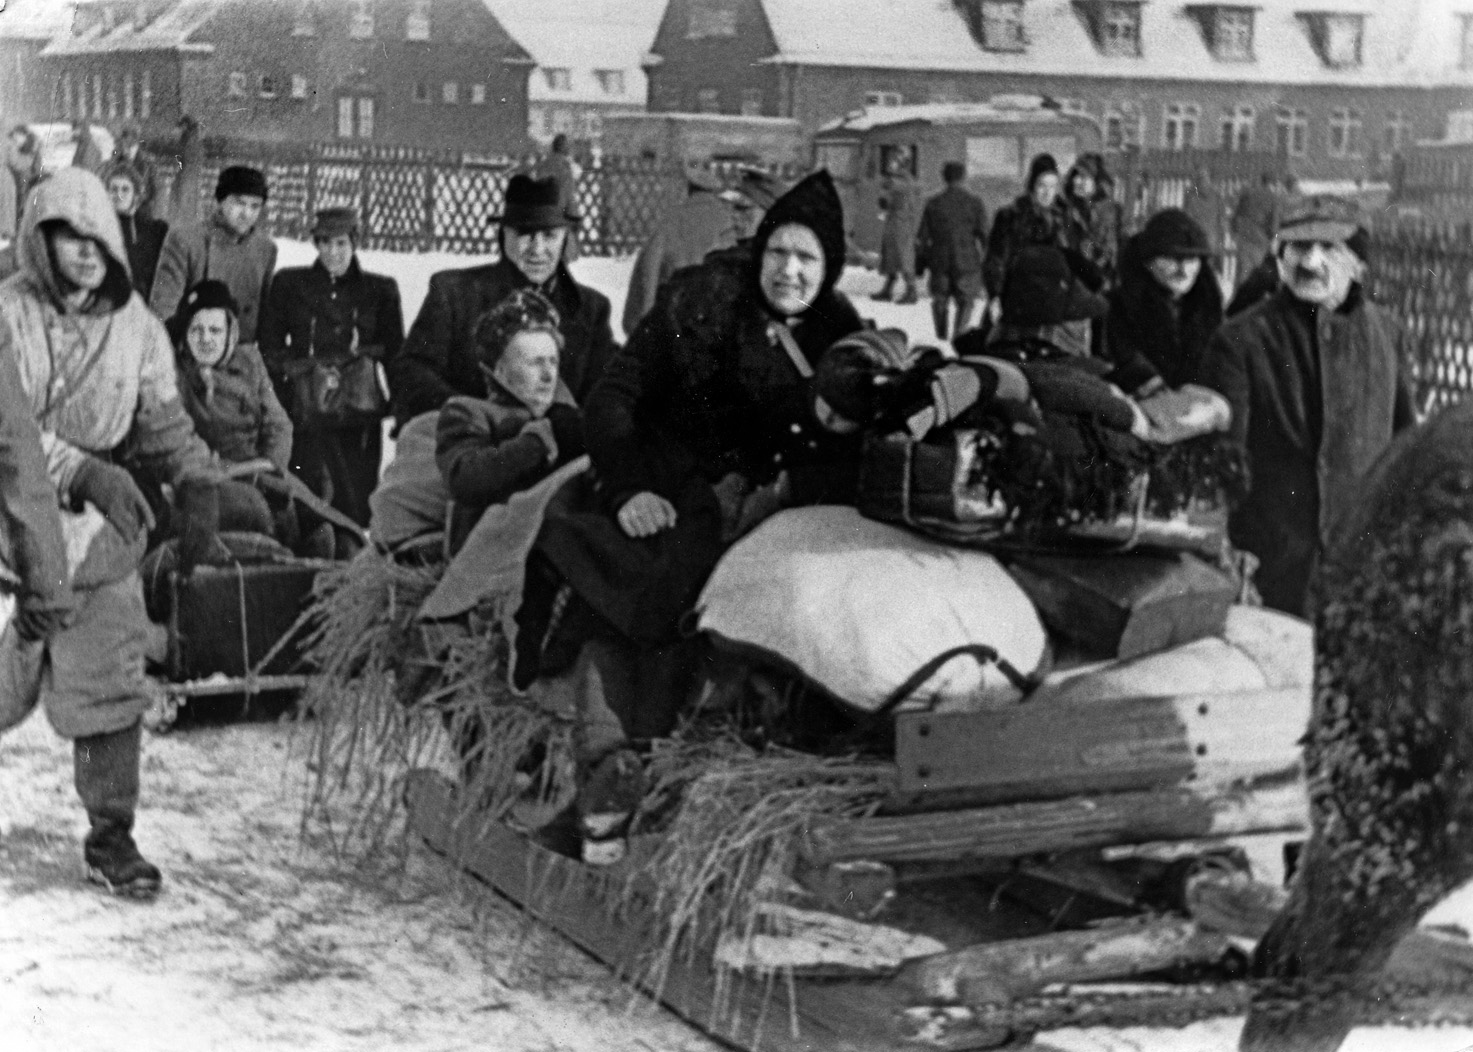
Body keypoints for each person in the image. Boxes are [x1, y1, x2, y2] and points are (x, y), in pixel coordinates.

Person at [0, 167, 222, 900]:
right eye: (69, 235)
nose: (87, 250)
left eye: (99, 235)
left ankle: (111, 834)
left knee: (112, 670)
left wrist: (195, 478)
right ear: (42, 241)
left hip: (90, 530)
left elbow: (162, 424)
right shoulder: (9, 314)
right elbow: (11, 434)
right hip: (6, 509)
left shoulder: (139, 331)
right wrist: (82, 471)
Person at [1198, 195, 1415, 617]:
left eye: (1329, 248)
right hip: (1275, 569)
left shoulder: (1388, 333)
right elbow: (1220, 469)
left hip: (1363, 563)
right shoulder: (1241, 341)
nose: (1310, 262)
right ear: (1279, 258)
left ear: (1358, 262)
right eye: (1297, 247)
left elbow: (1405, 448)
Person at [387, 173, 617, 425]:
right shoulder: (456, 294)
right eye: (525, 234)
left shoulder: (589, 309)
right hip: (468, 445)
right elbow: (411, 372)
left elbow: (605, 392)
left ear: (565, 238)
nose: (537, 249)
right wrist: (472, 416)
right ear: (503, 234)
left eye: (549, 235)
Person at [259, 208, 402, 527]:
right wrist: (295, 376)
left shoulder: (379, 291)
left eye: (340, 244)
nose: (332, 253)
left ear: (355, 242)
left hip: (358, 414)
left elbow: (396, 354)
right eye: (324, 244)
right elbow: (269, 344)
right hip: (306, 412)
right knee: (306, 495)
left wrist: (400, 406)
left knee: (355, 497)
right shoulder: (291, 285)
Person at [436, 289, 585, 553]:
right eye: (534, 363)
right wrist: (535, 443)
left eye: (553, 362)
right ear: (498, 370)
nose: (549, 376)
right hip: (492, 549)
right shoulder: (467, 412)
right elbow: (466, 480)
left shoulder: (566, 416)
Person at [167, 279, 299, 545]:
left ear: (230, 333)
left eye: (215, 331)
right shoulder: (173, 372)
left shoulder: (250, 362)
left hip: (257, 467)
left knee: (306, 512)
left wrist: (268, 465)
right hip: (205, 476)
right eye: (197, 330)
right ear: (185, 333)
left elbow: (279, 425)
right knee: (255, 510)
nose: (205, 339)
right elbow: (173, 437)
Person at [150, 165, 276, 350]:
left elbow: (266, 319)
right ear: (220, 201)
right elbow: (162, 309)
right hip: (192, 349)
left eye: (255, 206)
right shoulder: (186, 241)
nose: (246, 213)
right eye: (239, 203)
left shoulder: (264, 249)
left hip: (240, 355)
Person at [1103, 208, 1223, 397]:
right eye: (1173, 259)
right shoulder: (1116, 308)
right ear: (1147, 262)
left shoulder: (1208, 310)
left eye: (1192, 259)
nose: (1184, 271)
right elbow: (1121, 363)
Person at [621, 161, 743, 336]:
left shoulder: (669, 221)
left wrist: (638, 323)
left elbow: (648, 270)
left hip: (670, 323)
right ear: (715, 193)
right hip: (713, 327)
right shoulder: (727, 223)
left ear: (688, 189)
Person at [983, 153, 1070, 321]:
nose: (1047, 193)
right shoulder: (1011, 216)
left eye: (1052, 187)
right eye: (1042, 186)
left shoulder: (1063, 218)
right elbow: (996, 259)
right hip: (1016, 299)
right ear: (1032, 185)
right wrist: (995, 295)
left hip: (1052, 302)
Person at [915, 161, 988, 340]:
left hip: (939, 261)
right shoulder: (974, 202)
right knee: (966, 303)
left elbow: (922, 238)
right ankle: (958, 336)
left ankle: (941, 337)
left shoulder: (933, 203)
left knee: (940, 301)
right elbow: (984, 235)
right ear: (963, 177)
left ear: (944, 177)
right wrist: (987, 262)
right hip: (967, 262)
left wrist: (920, 265)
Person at [100, 160, 169, 298]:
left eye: (125, 189)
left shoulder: (155, 230)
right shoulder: (100, 228)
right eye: (114, 189)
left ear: (136, 194)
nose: (119, 195)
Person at [1058, 153, 1121, 291]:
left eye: (1083, 177)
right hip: (1073, 282)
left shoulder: (1109, 212)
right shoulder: (1068, 211)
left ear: (1096, 183)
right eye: (1075, 176)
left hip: (1101, 282)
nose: (1076, 181)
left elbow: (1110, 253)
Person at [872, 154, 921, 305]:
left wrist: (886, 187)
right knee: (890, 256)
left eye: (893, 162)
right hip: (893, 221)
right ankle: (888, 289)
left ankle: (911, 291)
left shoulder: (905, 180)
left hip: (902, 223)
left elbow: (893, 187)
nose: (890, 164)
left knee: (904, 256)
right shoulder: (897, 180)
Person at [1230, 172, 1280, 291]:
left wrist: (1235, 232)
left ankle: (1238, 300)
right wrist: (1273, 237)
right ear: (1272, 183)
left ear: (1261, 180)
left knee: (1243, 271)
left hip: (1244, 236)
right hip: (1260, 239)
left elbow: (1236, 214)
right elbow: (1274, 223)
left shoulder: (1248, 193)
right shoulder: (1273, 198)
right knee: (1257, 272)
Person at [108, 123, 165, 222]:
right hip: (119, 213)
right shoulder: (116, 159)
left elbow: (155, 190)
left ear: (136, 138)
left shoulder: (148, 161)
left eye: (127, 136)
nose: (124, 140)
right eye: (124, 136)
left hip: (141, 214)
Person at [4, 125, 43, 239]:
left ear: (24, 135)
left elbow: (36, 168)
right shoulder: (16, 146)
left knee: (24, 208)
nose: (16, 141)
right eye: (14, 138)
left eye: (18, 138)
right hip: (18, 183)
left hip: (28, 182)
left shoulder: (32, 147)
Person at [170, 115, 203, 225]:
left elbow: (188, 169)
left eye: (178, 128)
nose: (174, 131)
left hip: (187, 186)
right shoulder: (187, 141)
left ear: (184, 127)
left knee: (186, 215)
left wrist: (182, 192)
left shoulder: (191, 143)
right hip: (185, 183)